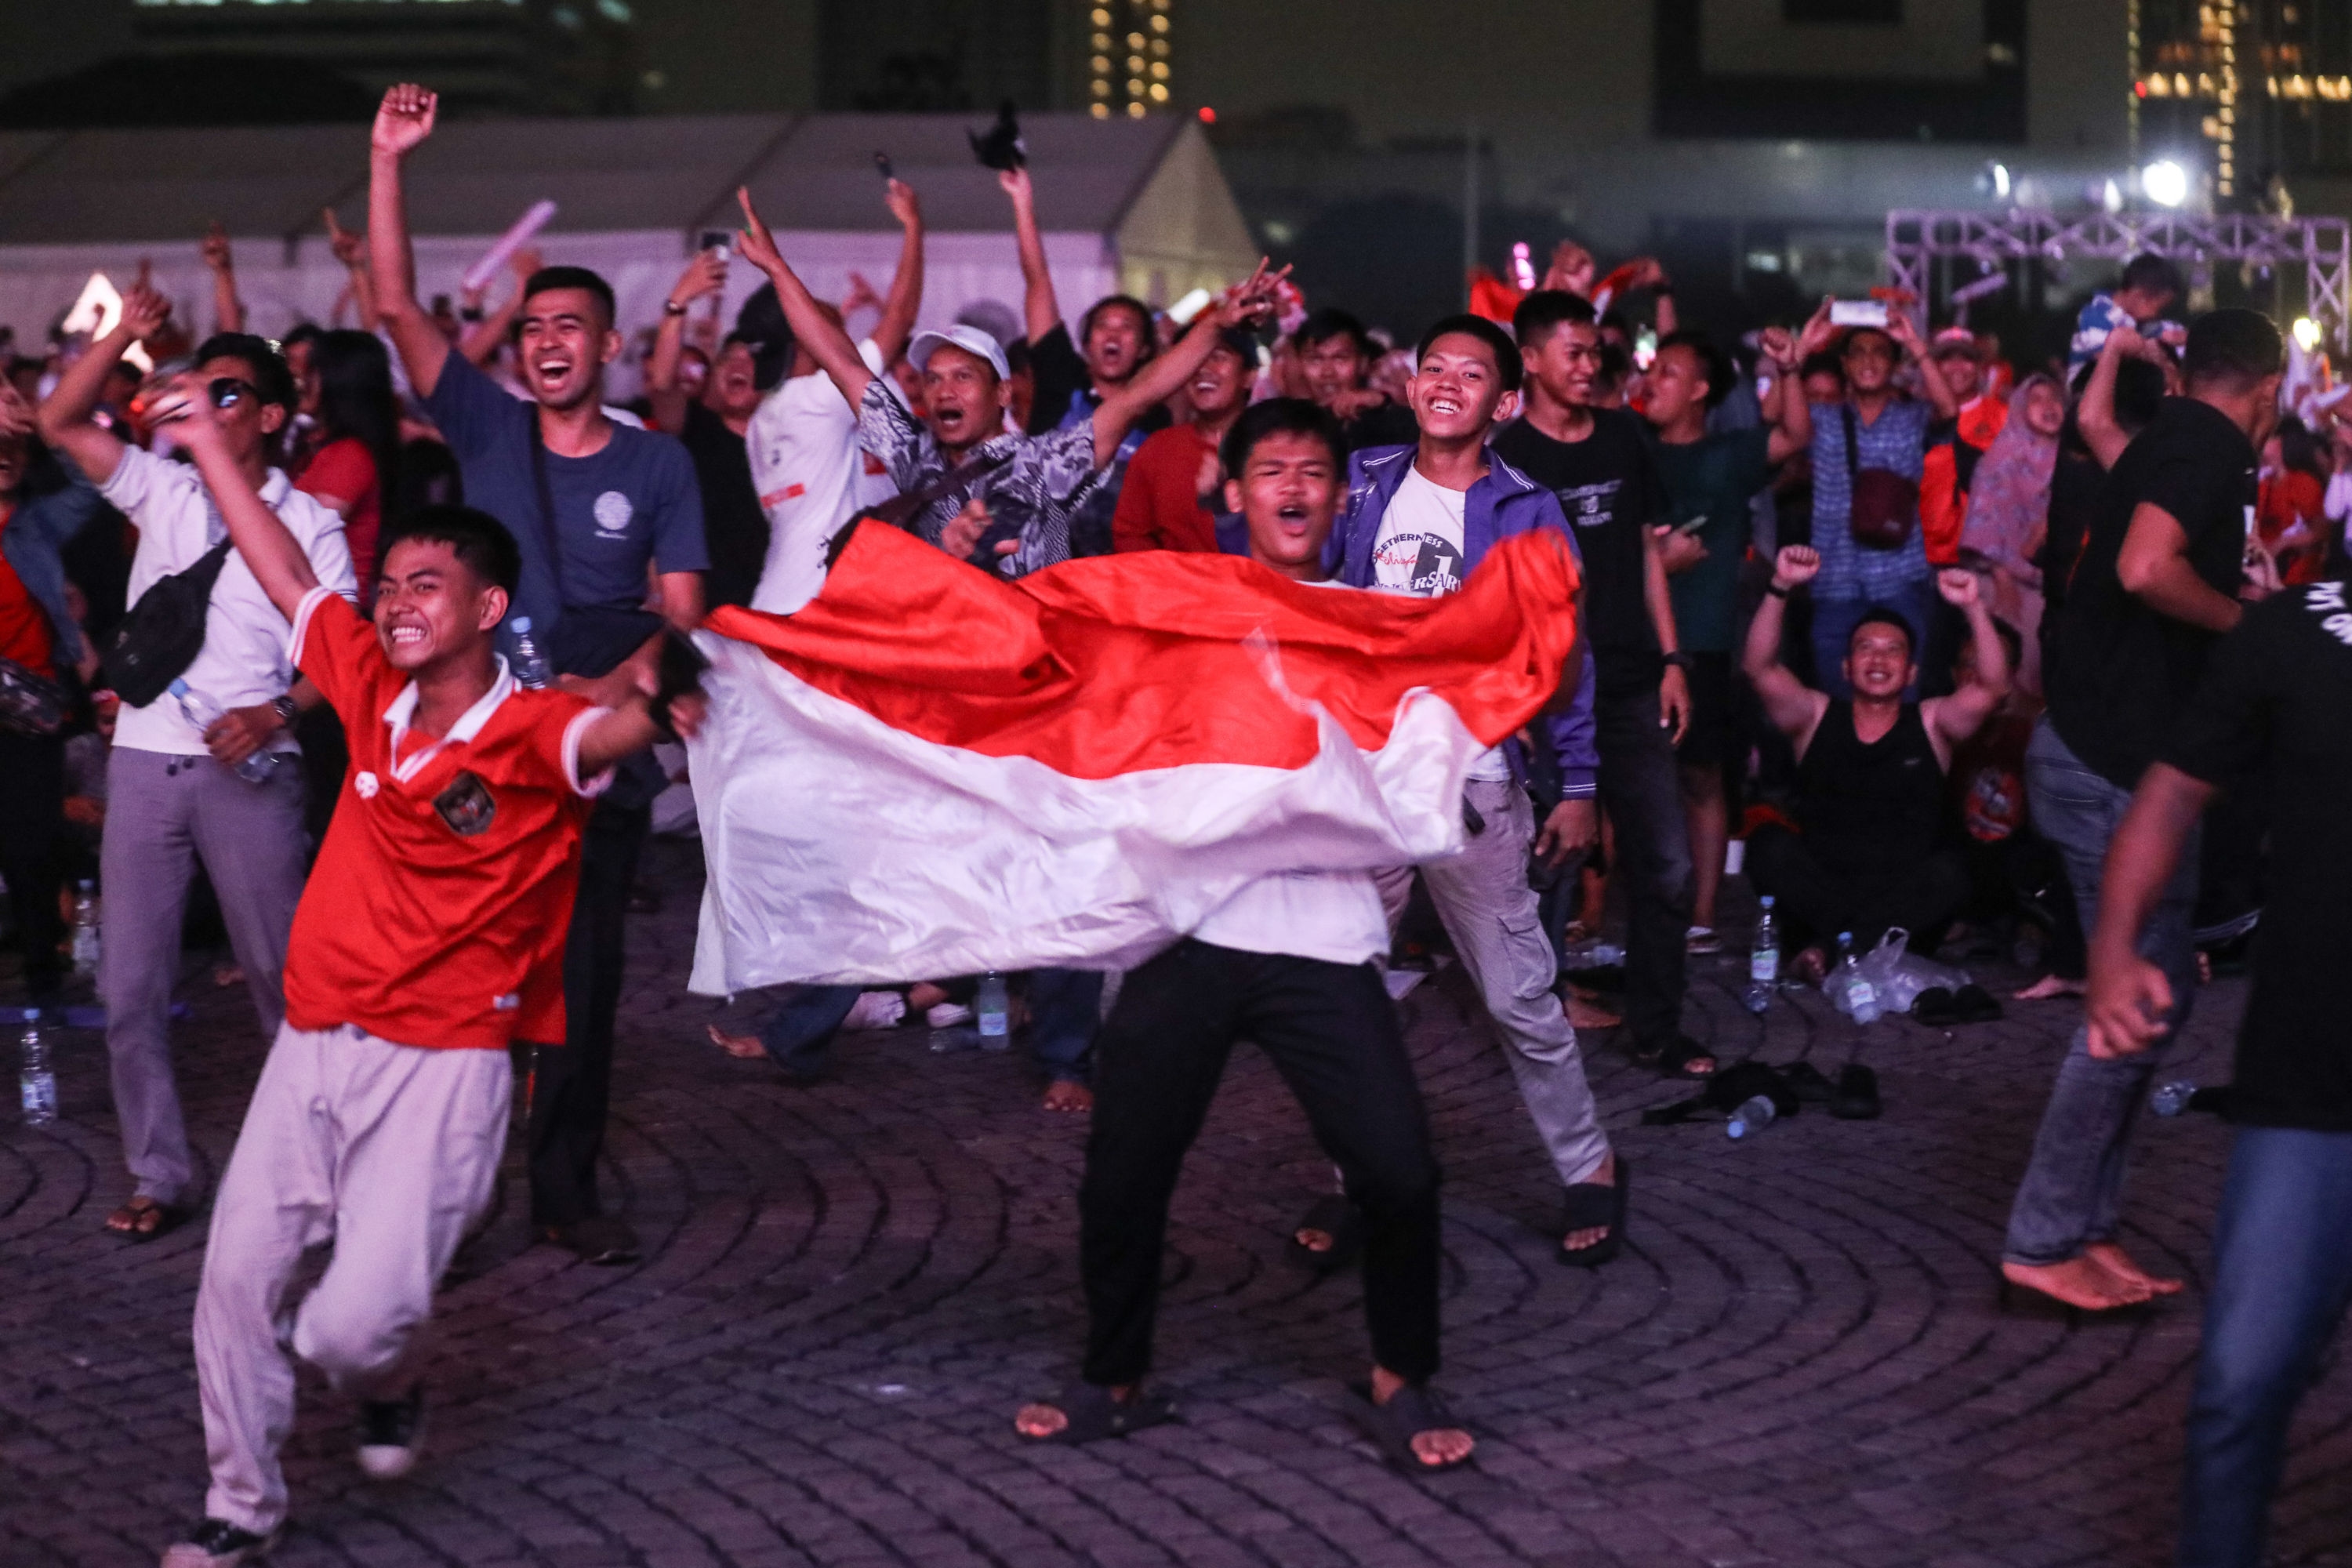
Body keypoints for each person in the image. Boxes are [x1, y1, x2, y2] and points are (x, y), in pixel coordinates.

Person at [154, 376, 696, 1568]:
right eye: (389, 585)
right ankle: (239, 1509)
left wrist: (656, 704)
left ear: (489, 607)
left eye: (424, 586)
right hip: (314, 1042)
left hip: (447, 1064)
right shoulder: (363, 681)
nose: (395, 604)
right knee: (235, 1286)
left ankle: (387, 1382)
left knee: (349, 1328)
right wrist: (208, 453)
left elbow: (599, 735)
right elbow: (291, 578)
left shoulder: (532, 728)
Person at [1012, 396, 1472, 1472]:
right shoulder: (1180, 612)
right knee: (1123, 1171)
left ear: (1341, 493)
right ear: (1237, 492)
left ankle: (1402, 1375)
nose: (1296, 489)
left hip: (1321, 934)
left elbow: (1424, 750)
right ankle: (1114, 1377)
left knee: (1400, 1171)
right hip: (1190, 934)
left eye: (1315, 471)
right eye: (1272, 470)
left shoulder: (1373, 624)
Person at [368, 82, 709, 1265]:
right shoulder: (484, 427)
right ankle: (453, 1206)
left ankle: (564, 1192)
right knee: (468, 986)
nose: (550, 343)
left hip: (592, 765)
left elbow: (680, 624)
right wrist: (389, 160)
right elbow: (397, 301)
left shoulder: (660, 466)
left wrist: (600, 710)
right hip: (479, 768)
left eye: (571, 326)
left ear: (610, 346)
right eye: (533, 330)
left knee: (582, 988)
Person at [38, 285, 354, 1243]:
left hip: (253, 773)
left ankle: (320, 1176)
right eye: (199, 388)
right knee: (129, 986)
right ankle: (161, 1171)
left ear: (268, 415)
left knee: (279, 980)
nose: (206, 405)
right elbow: (56, 419)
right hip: (144, 762)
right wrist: (123, 337)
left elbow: (343, 661)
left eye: (228, 392)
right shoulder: (163, 488)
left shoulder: (313, 522)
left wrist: (274, 711)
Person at [1321, 311, 1626, 1263]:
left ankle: (1591, 1169)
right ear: (1412, 388)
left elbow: (1564, 655)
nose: (1448, 381)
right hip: (1367, 782)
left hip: (1477, 783)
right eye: (1433, 367)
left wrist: (1578, 780)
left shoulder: (1529, 508)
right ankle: (1353, 1181)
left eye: (1471, 373)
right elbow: (1308, 599)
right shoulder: (1364, 481)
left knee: (1517, 995)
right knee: (1342, 991)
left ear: (1502, 402)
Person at [2002, 307, 2284, 1313]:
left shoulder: (2163, 429)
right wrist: (2246, 623)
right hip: (2107, 767)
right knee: (2133, 1001)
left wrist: (2124, 351)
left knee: (2152, 999)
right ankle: (2042, 1239)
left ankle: (2084, 1228)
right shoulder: (2206, 443)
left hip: (2097, 753)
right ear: (2269, 385)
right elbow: (2141, 568)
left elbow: (2096, 429)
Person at [2074, 575, 2352, 1568]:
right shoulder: (2293, 633)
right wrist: (2112, 945)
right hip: (2309, 1085)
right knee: (2241, 1383)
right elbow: (2173, 788)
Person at [1495, 290, 1711, 1079]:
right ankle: (1535, 1019)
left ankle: (1656, 1028)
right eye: (1575, 353)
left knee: (1666, 864)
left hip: (1627, 684)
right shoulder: (1508, 455)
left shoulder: (1622, 436)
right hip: (1541, 690)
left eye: (1595, 353)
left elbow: (1651, 551)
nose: (1591, 366)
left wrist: (1672, 661)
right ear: (1533, 360)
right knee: (1543, 861)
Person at [1740, 546, 2009, 969]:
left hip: (1902, 901)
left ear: (1911, 673)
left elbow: (1992, 687)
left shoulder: (1933, 720)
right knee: (1767, 846)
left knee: (1955, 870)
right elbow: (1758, 668)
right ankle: (1852, 945)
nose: (1879, 659)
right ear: (1847, 667)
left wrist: (1974, 605)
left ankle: (1831, 950)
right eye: (1866, 648)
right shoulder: (1813, 714)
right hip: (1821, 894)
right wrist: (1781, 586)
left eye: (1893, 650)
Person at [1638, 325, 1812, 952]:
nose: (1650, 380)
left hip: (1703, 642)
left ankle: (1704, 914)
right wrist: (1658, 560)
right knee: (1617, 778)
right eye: (1651, 370)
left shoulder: (1729, 454)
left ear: (1700, 391)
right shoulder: (1631, 448)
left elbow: (1794, 436)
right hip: (1631, 640)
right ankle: (1602, 912)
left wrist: (1791, 370)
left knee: (1702, 776)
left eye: (1667, 373)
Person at [735, 177, 923, 615]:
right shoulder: (822, 399)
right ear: (806, 340)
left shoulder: (764, 418)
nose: (841, 330)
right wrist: (914, 225)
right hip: (821, 609)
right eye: (827, 324)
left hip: (777, 602)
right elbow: (901, 316)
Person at [0, 383, 111, 1002]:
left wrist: (39, 423)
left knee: (32, 845)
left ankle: (43, 971)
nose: (4, 452)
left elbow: (93, 483)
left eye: (11, 445)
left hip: (31, 711)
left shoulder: (37, 523)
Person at [1791, 299, 1961, 697]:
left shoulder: (1913, 417)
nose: (1869, 360)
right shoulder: (1822, 418)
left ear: (1894, 365)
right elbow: (1771, 419)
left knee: (1901, 707)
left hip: (1900, 579)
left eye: (1881, 352)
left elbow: (1949, 409)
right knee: (1836, 709)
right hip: (1833, 579)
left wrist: (1916, 345)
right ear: (1845, 365)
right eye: (1859, 353)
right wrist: (1804, 347)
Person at [1003, 166, 1164, 557]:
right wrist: (1023, 202)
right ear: (1086, 344)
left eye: (1126, 328)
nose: (1112, 334)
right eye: (1102, 327)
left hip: (1125, 577)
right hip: (1045, 566)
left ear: (1145, 349)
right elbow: (1038, 282)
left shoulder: (1159, 417)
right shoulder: (1061, 381)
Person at [1958, 373, 2065, 693]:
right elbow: (1984, 518)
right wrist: (2002, 577)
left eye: (2055, 399)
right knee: (2005, 676)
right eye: (2037, 400)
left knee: (2041, 681)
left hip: (2056, 587)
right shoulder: (2002, 456)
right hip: (2006, 583)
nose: (2049, 406)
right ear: (2020, 408)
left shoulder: (2075, 457)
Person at [1110, 325, 1256, 554]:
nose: (1203, 369)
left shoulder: (1274, 449)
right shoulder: (1159, 449)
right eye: (1196, 359)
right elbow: (1130, 535)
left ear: (1249, 376)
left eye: (1218, 357)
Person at [294, 329, 401, 597]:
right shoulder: (314, 449)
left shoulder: (350, 456)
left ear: (341, 381)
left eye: (314, 371)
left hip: (334, 615)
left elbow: (297, 536)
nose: (301, 381)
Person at [1294, 308, 1419, 452]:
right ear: (1299, 364)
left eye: (1340, 358)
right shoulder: (1287, 424)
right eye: (1315, 359)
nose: (1327, 372)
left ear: (1363, 363)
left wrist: (1384, 403)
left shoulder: (1390, 425)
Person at [2069, 252, 2184, 372]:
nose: (2158, 314)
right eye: (2159, 308)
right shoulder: (2095, 314)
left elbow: (2168, 335)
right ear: (2139, 296)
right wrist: (2147, 351)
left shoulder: (2137, 322)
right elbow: (2105, 358)